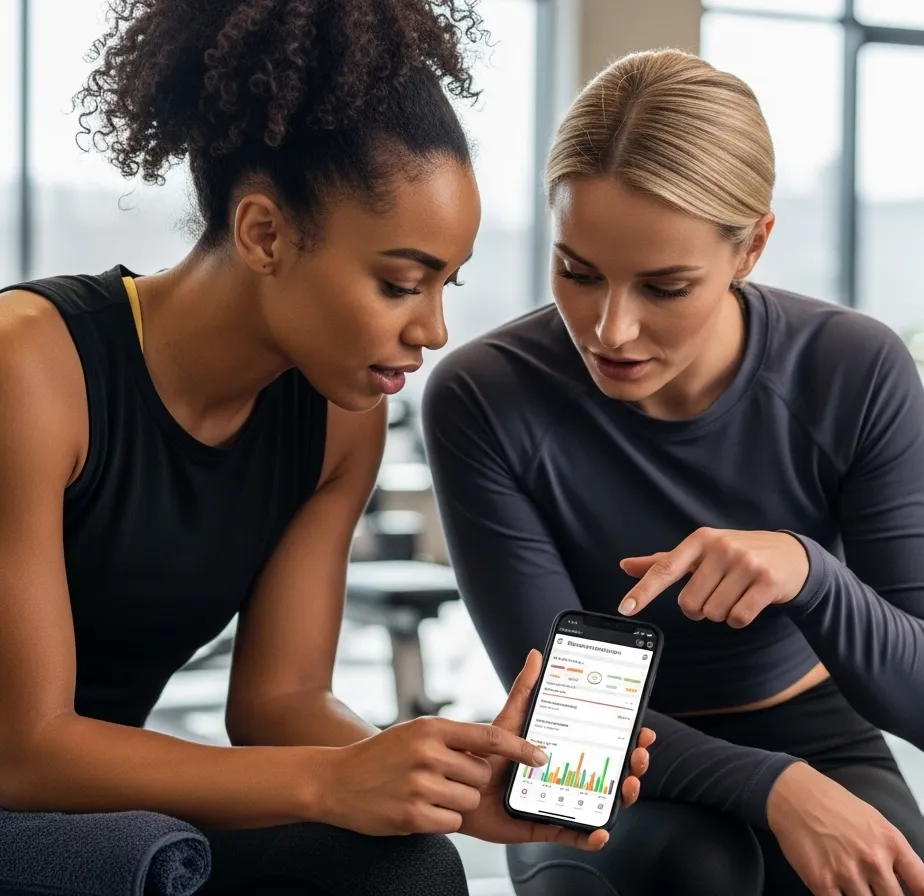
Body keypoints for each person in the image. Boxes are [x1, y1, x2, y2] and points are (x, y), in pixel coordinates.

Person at [0, 2, 652, 894]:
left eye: (444, 284)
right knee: (149, 863)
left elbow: (279, 703)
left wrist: (456, 786)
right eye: (398, 282)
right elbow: (24, 753)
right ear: (264, 232)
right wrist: (332, 781)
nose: (432, 328)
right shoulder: (31, 366)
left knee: (406, 869)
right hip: (36, 791)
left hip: (97, 810)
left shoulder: (340, 416)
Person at [423, 48, 924, 896]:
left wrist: (810, 573)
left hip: (811, 726)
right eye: (577, 271)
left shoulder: (853, 369)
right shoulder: (484, 395)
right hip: (594, 750)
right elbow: (566, 718)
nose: (610, 329)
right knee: (698, 870)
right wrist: (774, 786)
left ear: (752, 244)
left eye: (665, 286)